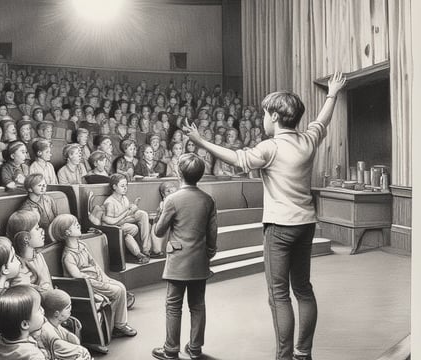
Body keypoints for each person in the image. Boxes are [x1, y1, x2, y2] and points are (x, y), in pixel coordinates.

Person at [183, 72, 347, 360]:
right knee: (304, 290)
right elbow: (323, 121)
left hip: (280, 229)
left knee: (279, 295)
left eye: (264, 114)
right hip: (306, 225)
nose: (262, 119)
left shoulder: (269, 147)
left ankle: (283, 357)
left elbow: (236, 158)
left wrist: (201, 140)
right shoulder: (308, 140)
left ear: (274, 115)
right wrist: (332, 93)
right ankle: (303, 353)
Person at [152, 153, 217, 360]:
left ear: (178, 173)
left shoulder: (171, 199)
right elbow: (212, 232)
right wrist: (209, 253)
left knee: (173, 305)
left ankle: (171, 349)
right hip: (199, 260)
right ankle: (195, 348)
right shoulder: (208, 199)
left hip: (178, 261)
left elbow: (159, 232)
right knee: (197, 305)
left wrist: (160, 212)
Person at [50, 214, 138, 339]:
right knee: (118, 290)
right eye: (75, 225)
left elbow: (95, 265)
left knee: (120, 286)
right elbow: (78, 276)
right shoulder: (68, 255)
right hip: (86, 285)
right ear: (68, 232)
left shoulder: (82, 246)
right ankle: (119, 326)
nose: (78, 225)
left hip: (96, 279)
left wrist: (104, 278)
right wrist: (99, 281)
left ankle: (117, 324)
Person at [102, 174, 152, 263]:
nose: (125, 188)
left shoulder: (124, 198)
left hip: (123, 222)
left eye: (126, 186)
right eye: (122, 186)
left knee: (143, 214)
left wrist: (134, 207)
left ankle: (145, 248)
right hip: (114, 227)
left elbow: (127, 214)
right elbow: (110, 222)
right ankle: (139, 254)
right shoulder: (109, 202)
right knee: (132, 229)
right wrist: (128, 211)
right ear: (114, 187)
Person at [0, 285, 46, 360]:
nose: (43, 310)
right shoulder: (34, 356)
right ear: (25, 324)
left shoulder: (3, 339)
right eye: (39, 308)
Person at [37, 289, 93, 360]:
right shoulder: (48, 331)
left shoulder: (53, 323)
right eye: (68, 307)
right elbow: (79, 351)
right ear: (56, 313)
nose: (70, 309)